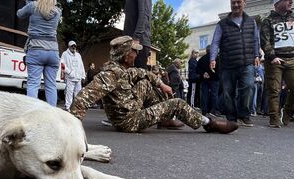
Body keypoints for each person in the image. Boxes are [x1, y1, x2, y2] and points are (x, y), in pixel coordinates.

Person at [69, 36, 238, 134]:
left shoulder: (123, 69)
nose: (137, 54)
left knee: (145, 83)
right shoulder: (111, 74)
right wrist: (71, 130)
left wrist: (162, 85)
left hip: (132, 108)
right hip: (129, 121)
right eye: (135, 51)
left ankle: (163, 119)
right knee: (177, 103)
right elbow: (82, 99)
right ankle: (208, 123)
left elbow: (145, 73)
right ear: (127, 55)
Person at [260, 0, 294, 128]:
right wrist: (272, 56)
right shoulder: (267, 21)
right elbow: (265, 41)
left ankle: (287, 112)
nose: (291, 2)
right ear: (278, 3)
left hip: (292, 58)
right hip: (275, 59)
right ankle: (274, 118)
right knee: (274, 90)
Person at [210, 0, 260, 127]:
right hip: (228, 63)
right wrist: (212, 58)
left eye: (239, 2)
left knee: (248, 87)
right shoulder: (222, 24)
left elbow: (256, 40)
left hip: (247, 62)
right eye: (233, 2)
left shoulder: (251, 22)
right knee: (228, 92)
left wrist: (257, 55)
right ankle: (231, 117)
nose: (236, 5)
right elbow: (215, 42)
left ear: (244, 2)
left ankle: (244, 115)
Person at [16, 0, 61, 106]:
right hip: (53, 52)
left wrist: (28, 1)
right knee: (51, 85)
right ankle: (52, 116)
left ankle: (32, 114)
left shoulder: (33, 6)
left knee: (33, 84)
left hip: (36, 49)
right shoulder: (58, 11)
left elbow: (19, 14)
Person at [122, 0, 152, 69]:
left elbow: (144, 14)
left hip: (139, 43)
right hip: (129, 42)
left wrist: (135, 42)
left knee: (139, 80)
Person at [61, 40, 86, 110]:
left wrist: (83, 76)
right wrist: (69, 72)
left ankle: (76, 107)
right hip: (70, 77)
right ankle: (68, 106)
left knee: (78, 94)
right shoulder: (65, 54)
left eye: (74, 46)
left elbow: (81, 65)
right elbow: (62, 65)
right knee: (69, 93)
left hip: (78, 77)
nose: (73, 47)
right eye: (72, 46)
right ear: (69, 46)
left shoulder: (78, 55)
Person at [196, 45, 220, 116]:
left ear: (206, 51)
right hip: (215, 79)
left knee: (204, 95)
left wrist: (203, 73)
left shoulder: (202, 58)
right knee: (214, 95)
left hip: (204, 79)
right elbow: (220, 69)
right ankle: (214, 111)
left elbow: (197, 69)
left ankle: (204, 111)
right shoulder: (217, 58)